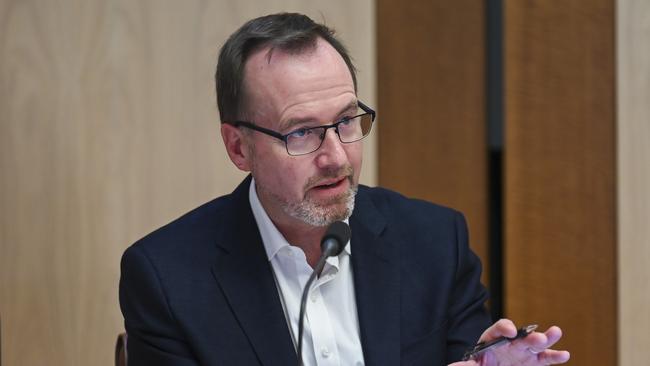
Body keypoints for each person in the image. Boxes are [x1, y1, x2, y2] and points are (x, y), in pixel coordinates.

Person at [119, 12, 570, 366]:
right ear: (240, 148)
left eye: (347, 121)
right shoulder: (167, 277)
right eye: (301, 133)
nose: (336, 156)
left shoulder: (434, 242)